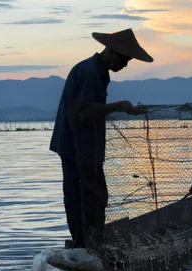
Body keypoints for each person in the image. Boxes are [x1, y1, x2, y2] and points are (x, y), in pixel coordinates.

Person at [49, 28, 153, 250]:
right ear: (112, 52)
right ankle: (82, 245)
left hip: (88, 146)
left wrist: (127, 110)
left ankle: (89, 243)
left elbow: (92, 109)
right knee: (82, 196)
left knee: (95, 196)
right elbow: (83, 112)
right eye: (124, 59)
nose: (125, 65)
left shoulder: (98, 71)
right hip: (75, 146)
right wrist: (118, 106)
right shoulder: (89, 72)